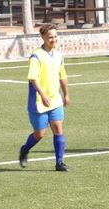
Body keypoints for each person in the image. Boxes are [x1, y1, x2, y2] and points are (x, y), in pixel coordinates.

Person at [19, 24, 70, 172]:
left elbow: (63, 76)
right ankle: (25, 149)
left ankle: (59, 162)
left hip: (55, 99)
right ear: (43, 38)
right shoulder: (36, 56)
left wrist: (66, 94)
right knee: (40, 134)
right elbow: (33, 79)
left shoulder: (59, 55)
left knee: (58, 129)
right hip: (38, 101)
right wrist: (43, 95)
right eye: (50, 37)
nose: (53, 39)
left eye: (55, 36)